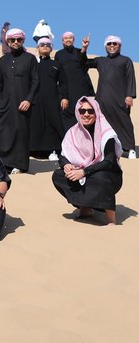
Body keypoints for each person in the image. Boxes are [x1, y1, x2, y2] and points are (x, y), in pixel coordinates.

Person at [52, 97, 123, 225]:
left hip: (108, 176)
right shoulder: (73, 132)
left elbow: (109, 161)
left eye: (90, 111)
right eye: (82, 111)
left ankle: (111, 220)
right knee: (58, 176)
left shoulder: (106, 133)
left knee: (101, 178)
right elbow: (63, 155)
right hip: (84, 173)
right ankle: (85, 209)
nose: (86, 114)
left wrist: (83, 172)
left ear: (96, 113)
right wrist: (66, 165)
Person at [0, 28, 39, 174]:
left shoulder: (30, 59)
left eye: (19, 40)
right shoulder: (3, 60)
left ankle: (19, 165)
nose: (15, 42)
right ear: (8, 41)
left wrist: (28, 100)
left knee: (19, 131)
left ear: (23, 41)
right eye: (12, 40)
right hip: (4, 102)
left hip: (22, 102)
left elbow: (35, 81)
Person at [86, 35, 136, 158]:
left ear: (119, 45)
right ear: (105, 46)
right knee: (102, 124)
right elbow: (84, 63)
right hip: (102, 99)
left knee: (124, 122)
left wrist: (130, 95)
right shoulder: (100, 61)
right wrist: (84, 48)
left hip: (120, 99)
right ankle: (103, 148)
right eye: (109, 44)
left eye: (115, 43)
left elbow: (131, 78)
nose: (112, 46)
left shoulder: (126, 60)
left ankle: (130, 149)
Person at [29, 38, 68, 161]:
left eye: (48, 45)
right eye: (42, 45)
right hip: (35, 98)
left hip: (52, 98)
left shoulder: (56, 64)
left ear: (51, 48)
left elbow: (63, 82)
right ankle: (33, 150)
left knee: (53, 123)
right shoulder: (33, 63)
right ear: (38, 47)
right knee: (35, 123)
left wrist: (65, 98)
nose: (45, 46)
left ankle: (55, 150)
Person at [54, 32, 95, 131]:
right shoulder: (59, 54)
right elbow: (56, 72)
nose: (68, 40)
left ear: (73, 40)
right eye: (66, 38)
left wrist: (84, 48)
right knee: (67, 117)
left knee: (82, 113)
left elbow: (83, 62)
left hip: (81, 88)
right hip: (66, 90)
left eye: (70, 38)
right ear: (62, 41)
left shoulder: (79, 52)